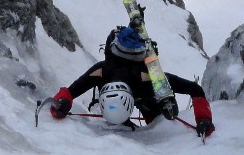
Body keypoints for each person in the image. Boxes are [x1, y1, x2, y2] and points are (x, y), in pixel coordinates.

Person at [47, 25, 216, 137]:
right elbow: (195, 89)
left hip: (144, 92)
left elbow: (69, 93)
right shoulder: (143, 77)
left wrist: (61, 105)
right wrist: (203, 120)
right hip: (144, 93)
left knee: (156, 116)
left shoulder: (102, 71)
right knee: (157, 120)